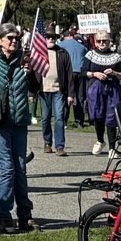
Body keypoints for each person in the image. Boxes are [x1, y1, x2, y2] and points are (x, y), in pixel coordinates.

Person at [0, 24, 36, 233]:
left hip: (19, 120)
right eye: (10, 38)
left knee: (20, 168)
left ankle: (25, 215)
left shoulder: (24, 59)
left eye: (16, 38)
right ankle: (4, 215)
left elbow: (35, 87)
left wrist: (30, 74)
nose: (14, 41)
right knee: (7, 168)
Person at [83, 33, 121, 154]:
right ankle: (100, 140)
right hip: (96, 88)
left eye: (104, 41)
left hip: (113, 88)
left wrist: (114, 73)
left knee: (111, 117)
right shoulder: (90, 54)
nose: (102, 43)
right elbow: (83, 71)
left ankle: (112, 148)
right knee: (98, 115)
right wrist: (94, 74)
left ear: (109, 42)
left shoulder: (116, 56)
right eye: (99, 41)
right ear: (95, 42)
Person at [37, 21, 71, 155]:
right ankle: (47, 143)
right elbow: (33, 73)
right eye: (48, 37)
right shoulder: (39, 52)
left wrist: (71, 94)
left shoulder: (62, 53)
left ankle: (60, 146)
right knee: (45, 118)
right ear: (44, 38)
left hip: (58, 90)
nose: (51, 39)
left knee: (59, 118)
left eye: (53, 37)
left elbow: (69, 74)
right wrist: (32, 93)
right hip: (43, 90)